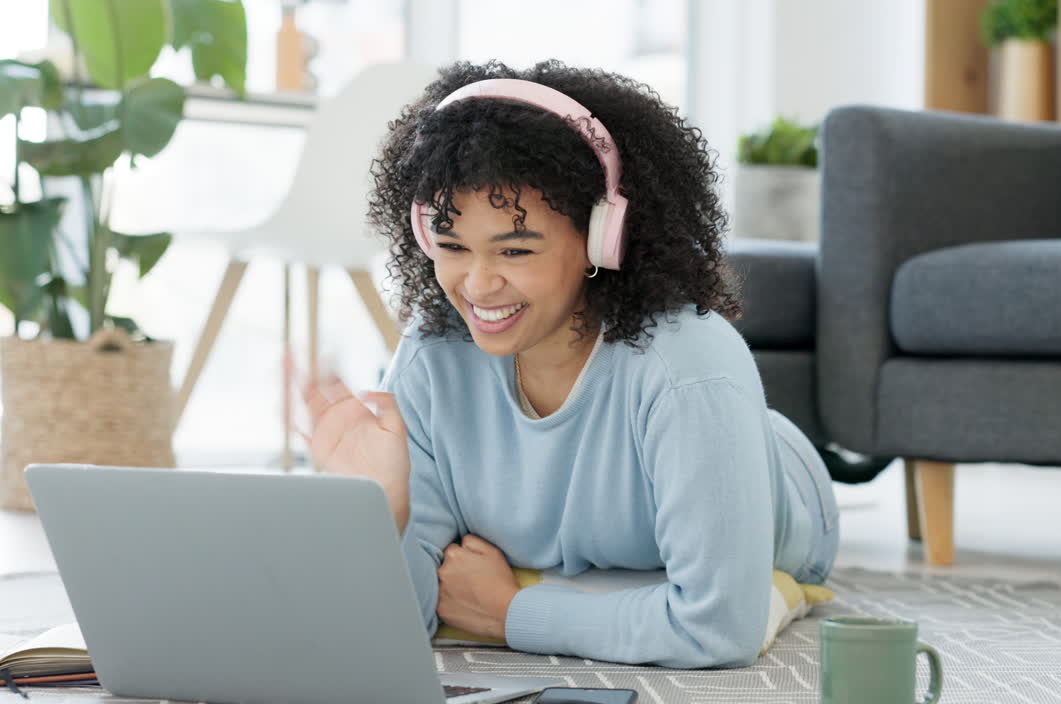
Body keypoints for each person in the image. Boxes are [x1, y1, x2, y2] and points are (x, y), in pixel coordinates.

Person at [292, 59, 839, 670]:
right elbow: (410, 618)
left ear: (602, 237)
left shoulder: (689, 371)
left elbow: (718, 627)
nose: (477, 284)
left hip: (779, 483)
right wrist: (383, 513)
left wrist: (512, 611)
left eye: (515, 250)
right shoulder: (432, 354)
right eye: (452, 246)